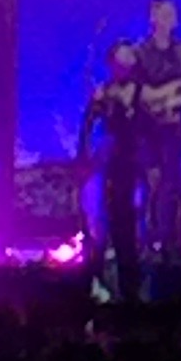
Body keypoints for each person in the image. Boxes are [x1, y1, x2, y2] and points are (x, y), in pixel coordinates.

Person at [129, 0, 181, 258]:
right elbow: (139, 93)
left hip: (173, 129)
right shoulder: (140, 53)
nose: (170, 19)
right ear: (153, 17)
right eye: (165, 13)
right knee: (150, 181)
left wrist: (171, 100)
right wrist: (165, 95)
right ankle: (146, 241)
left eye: (173, 13)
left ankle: (173, 242)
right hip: (145, 129)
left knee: (173, 182)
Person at [77, 46, 146, 302]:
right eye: (119, 59)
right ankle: (98, 282)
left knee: (129, 225)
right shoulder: (104, 93)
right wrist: (85, 157)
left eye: (128, 58)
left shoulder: (142, 92)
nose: (124, 64)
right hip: (110, 165)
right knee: (103, 223)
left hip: (133, 165)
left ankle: (130, 289)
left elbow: (149, 128)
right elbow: (88, 126)